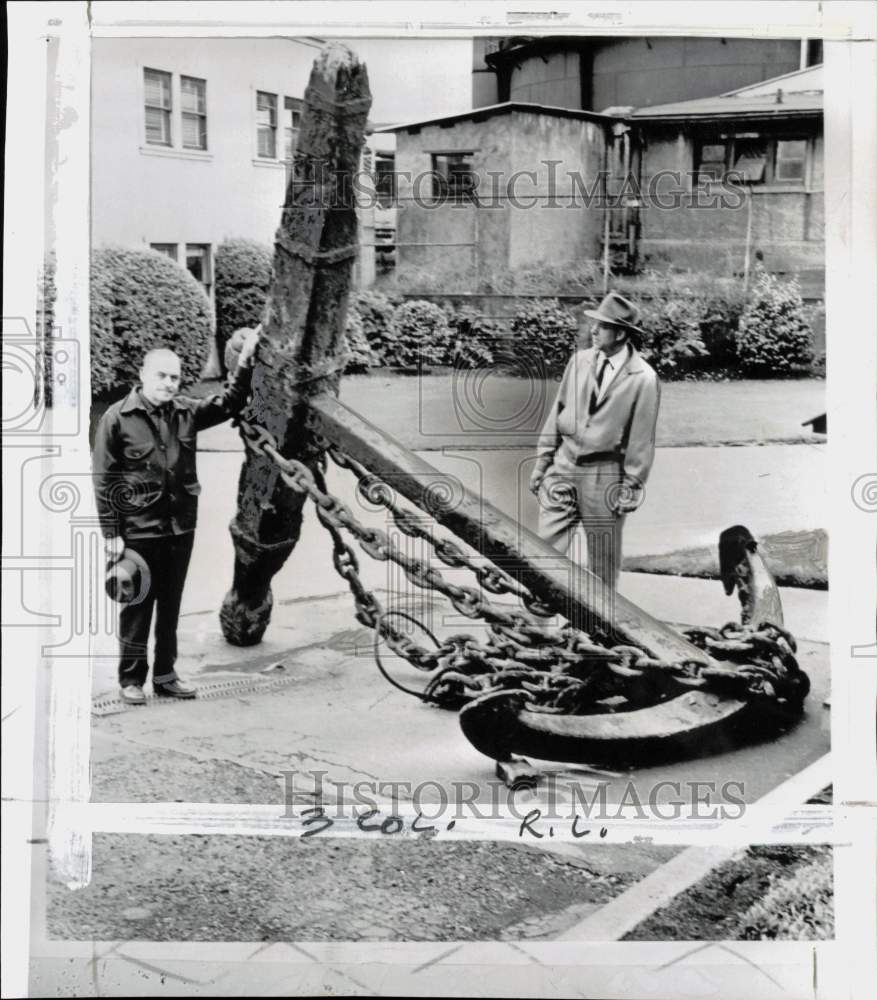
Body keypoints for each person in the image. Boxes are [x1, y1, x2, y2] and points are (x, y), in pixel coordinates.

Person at [92, 328, 261, 704]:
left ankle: (166, 676)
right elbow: (104, 480)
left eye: (175, 377)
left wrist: (246, 361)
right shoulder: (117, 419)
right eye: (162, 376)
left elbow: (231, 402)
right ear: (143, 375)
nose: (169, 384)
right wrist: (111, 534)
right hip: (137, 532)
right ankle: (131, 679)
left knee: (171, 606)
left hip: (180, 527)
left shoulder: (186, 411)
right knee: (137, 607)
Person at [530, 291, 660, 590]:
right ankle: (537, 614)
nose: (593, 330)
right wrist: (542, 463)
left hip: (604, 476)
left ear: (621, 334)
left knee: (603, 561)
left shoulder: (643, 378)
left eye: (601, 325)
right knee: (544, 551)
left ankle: (600, 617)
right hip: (563, 466)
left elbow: (640, 439)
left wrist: (631, 485)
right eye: (594, 324)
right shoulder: (579, 361)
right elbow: (557, 412)